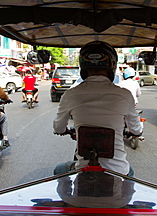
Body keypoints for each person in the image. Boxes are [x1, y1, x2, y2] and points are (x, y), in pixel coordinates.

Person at [53, 41, 142, 176]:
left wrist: (65, 131)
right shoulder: (125, 94)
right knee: (129, 173)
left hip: (83, 169)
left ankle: (67, 198)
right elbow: (136, 129)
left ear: (82, 65)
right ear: (112, 65)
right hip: (117, 170)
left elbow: (58, 128)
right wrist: (136, 132)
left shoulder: (70, 94)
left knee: (59, 170)